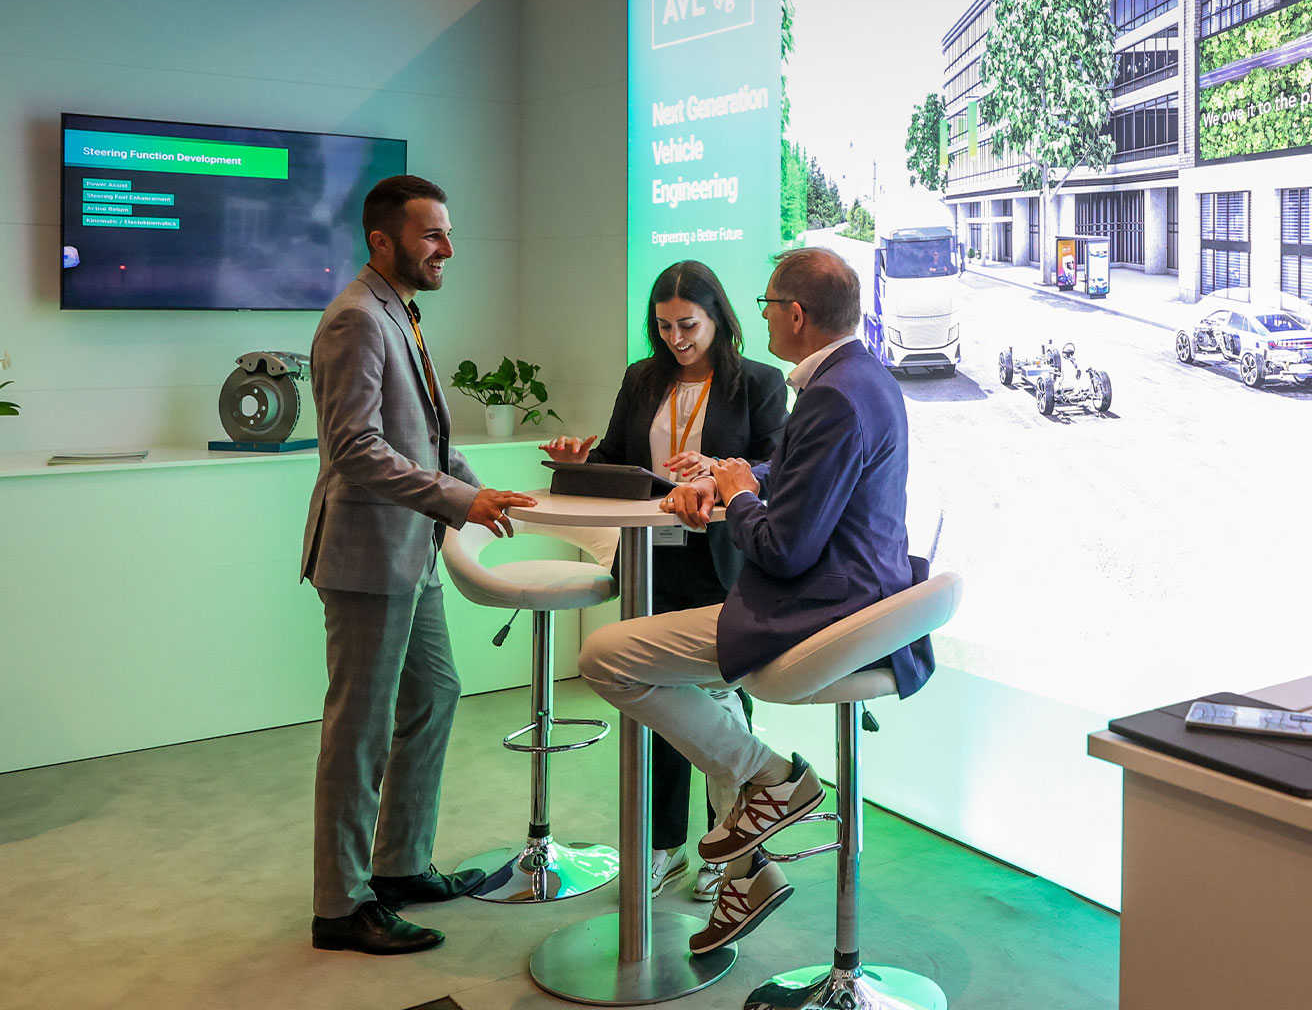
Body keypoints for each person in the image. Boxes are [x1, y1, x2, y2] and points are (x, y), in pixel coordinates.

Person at [576, 247, 934, 955]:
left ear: (794, 314)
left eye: (769, 303)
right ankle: (745, 870)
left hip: (814, 609)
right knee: (700, 696)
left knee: (604, 658)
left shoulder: (825, 393)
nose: (764, 314)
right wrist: (742, 476)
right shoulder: (861, 379)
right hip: (854, 599)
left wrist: (737, 493)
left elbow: (783, 550)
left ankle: (769, 777)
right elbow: (800, 471)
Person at [300, 174, 536, 955]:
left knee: (434, 694)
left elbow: (420, 435)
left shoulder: (398, 312)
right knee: (358, 732)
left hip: (412, 547)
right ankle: (340, 905)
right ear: (383, 240)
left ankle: (398, 866)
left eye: (446, 232)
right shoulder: (355, 321)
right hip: (368, 554)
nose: (448, 249)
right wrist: (453, 502)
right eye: (432, 235)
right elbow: (356, 449)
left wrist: (473, 487)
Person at [540, 260, 788, 902]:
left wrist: (719, 468)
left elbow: (775, 466)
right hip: (653, 556)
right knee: (661, 704)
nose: (677, 338)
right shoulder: (642, 379)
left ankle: (729, 847)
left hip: (725, 560)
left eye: (689, 325)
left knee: (722, 702)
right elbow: (621, 461)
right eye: (664, 325)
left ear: (718, 320)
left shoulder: (759, 382)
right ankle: (663, 846)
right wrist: (580, 461)